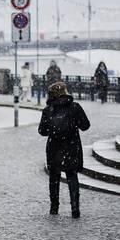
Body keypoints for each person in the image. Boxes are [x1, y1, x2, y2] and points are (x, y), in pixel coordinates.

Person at [39, 81, 92, 218]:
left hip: (54, 148)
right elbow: (85, 125)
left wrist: (54, 129)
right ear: (65, 91)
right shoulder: (74, 107)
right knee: (72, 176)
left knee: (54, 178)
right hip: (71, 146)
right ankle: (75, 208)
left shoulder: (48, 109)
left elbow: (42, 131)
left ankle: (54, 207)